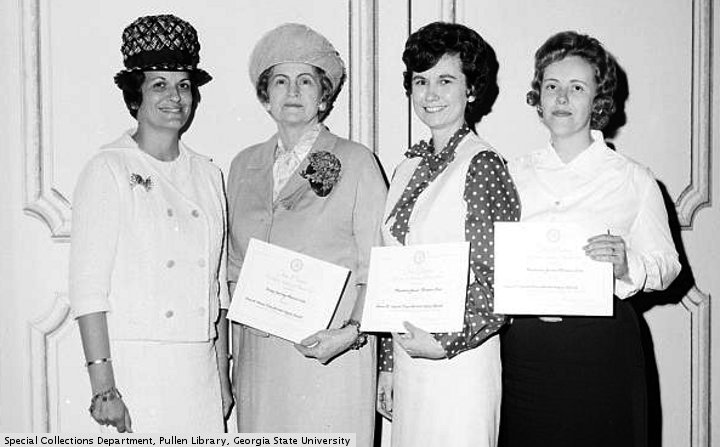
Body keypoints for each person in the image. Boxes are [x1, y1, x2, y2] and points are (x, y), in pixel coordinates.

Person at [498, 31, 681, 447]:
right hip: (525, 351)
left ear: (598, 99)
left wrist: (628, 263)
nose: (562, 98)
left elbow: (669, 265)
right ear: (538, 96)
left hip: (602, 348)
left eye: (577, 87)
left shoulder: (633, 178)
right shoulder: (511, 175)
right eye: (552, 86)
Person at [69, 14, 231, 432]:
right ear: (135, 94)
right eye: (159, 84)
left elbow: (218, 290)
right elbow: (88, 291)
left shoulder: (209, 174)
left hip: (198, 371)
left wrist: (222, 377)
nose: (175, 97)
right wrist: (104, 389)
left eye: (184, 85)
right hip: (135, 370)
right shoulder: (108, 168)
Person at [226, 23, 386, 445]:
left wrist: (352, 333)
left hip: (329, 356)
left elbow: (378, 265)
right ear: (265, 95)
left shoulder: (356, 162)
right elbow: (234, 269)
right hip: (260, 364)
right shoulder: (243, 166)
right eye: (280, 81)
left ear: (324, 95)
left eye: (306, 80)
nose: (293, 91)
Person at [376, 22, 520, 447]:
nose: (430, 94)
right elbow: (392, 276)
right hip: (409, 361)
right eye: (420, 81)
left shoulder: (483, 165)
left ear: (471, 89)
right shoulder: (406, 167)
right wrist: (388, 363)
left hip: (461, 363)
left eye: (445, 80)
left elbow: (502, 282)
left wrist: (445, 342)